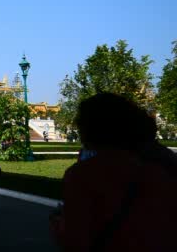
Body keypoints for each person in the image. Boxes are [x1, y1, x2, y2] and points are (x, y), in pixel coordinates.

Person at [50, 93, 177, 251]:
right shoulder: (162, 166)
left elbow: (75, 239)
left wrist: (57, 225)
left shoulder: (84, 174)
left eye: (81, 122)